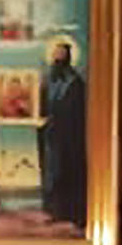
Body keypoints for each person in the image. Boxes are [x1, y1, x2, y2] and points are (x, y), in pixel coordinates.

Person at [38, 37, 88, 228]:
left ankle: (72, 213)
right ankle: (53, 212)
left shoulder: (75, 82)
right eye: (55, 53)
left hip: (69, 136)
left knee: (68, 171)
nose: (57, 56)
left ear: (68, 56)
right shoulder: (49, 79)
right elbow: (41, 105)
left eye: (61, 53)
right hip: (50, 135)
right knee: (51, 172)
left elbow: (77, 111)